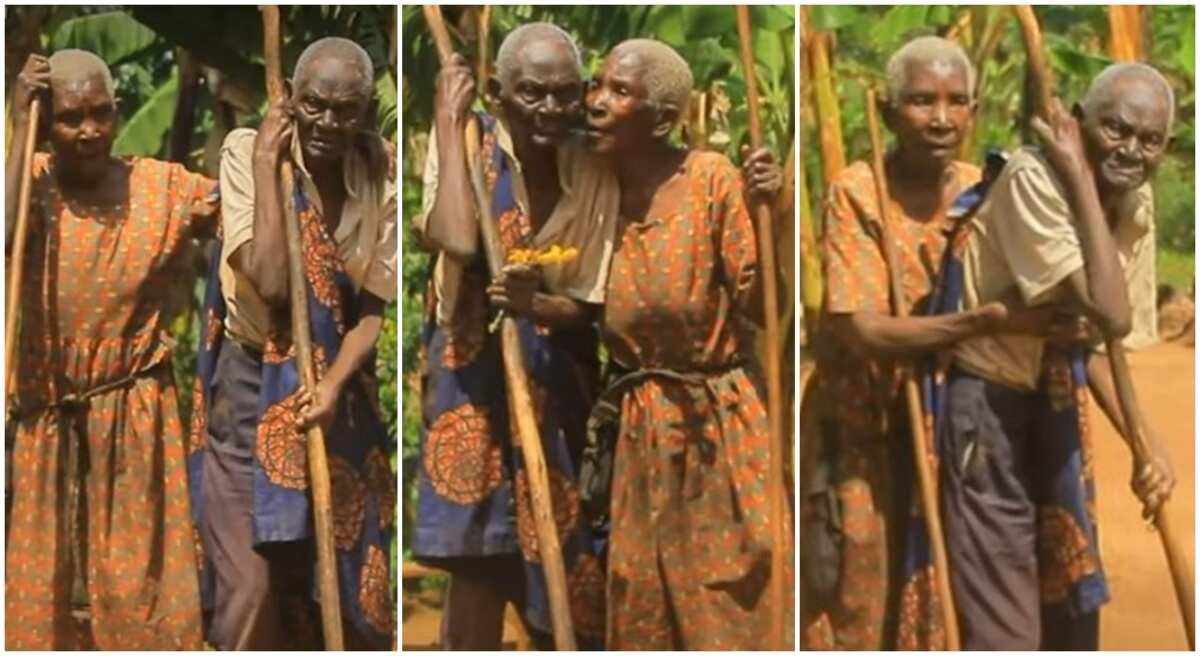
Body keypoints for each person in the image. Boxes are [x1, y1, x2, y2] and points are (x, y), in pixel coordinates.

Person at [938, 62, 1176, 649]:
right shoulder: (1033, 179)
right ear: (1075, 124)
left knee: (1069, 608)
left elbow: (1096, 341)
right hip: (987, 409)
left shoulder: (1136, 203)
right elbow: (1108, 310)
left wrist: (1147, 443)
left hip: (1055, 400)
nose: (1130, 151)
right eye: (1115, 130)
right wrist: (1073, 172)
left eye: (1149, 141)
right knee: (1005, 616)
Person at [410, 22, 617, 649]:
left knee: (566, 562)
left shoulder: (593, 166)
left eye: (563, 94)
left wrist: (539, 305)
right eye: (531, 94)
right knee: (480, 558)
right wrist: (448, 124)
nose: (549, 110)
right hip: (469, 381)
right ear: (498, 92)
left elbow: (596, 307)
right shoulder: (466, 141)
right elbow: (456, 236)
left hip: (558, 381)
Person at [189, 36, 396, 649]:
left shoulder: (377, 172)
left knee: (341, 591)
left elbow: (373, 312)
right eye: (315, 106)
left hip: (337, 400)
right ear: (291, 99)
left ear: (364, 112)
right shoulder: (247, 152)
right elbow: (275, 281)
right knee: (249, 596)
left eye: (347, 110)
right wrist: (266, 165)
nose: (330, 123)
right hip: (249, 392)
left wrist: (331, 386)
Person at [4, 49, 216, 649]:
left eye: (101, 114)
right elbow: (3, 234)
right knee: (42, 596)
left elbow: (239, 208)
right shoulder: (30, 184)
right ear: (49, 124)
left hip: (134, 421)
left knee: (137, 593)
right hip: (48, 416)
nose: (90, 130)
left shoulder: (159, 186)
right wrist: (20, 125)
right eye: (72, 118)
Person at [584, 37, 787, 650]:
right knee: (641, 597)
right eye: (597, 84)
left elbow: (760, 304)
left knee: (732, 595)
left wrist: (769, 211)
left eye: (619, 92)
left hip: (716, 425)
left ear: (664, 120)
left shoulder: (710, 180)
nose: (596, 101)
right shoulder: (590, 187)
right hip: (640, 431)